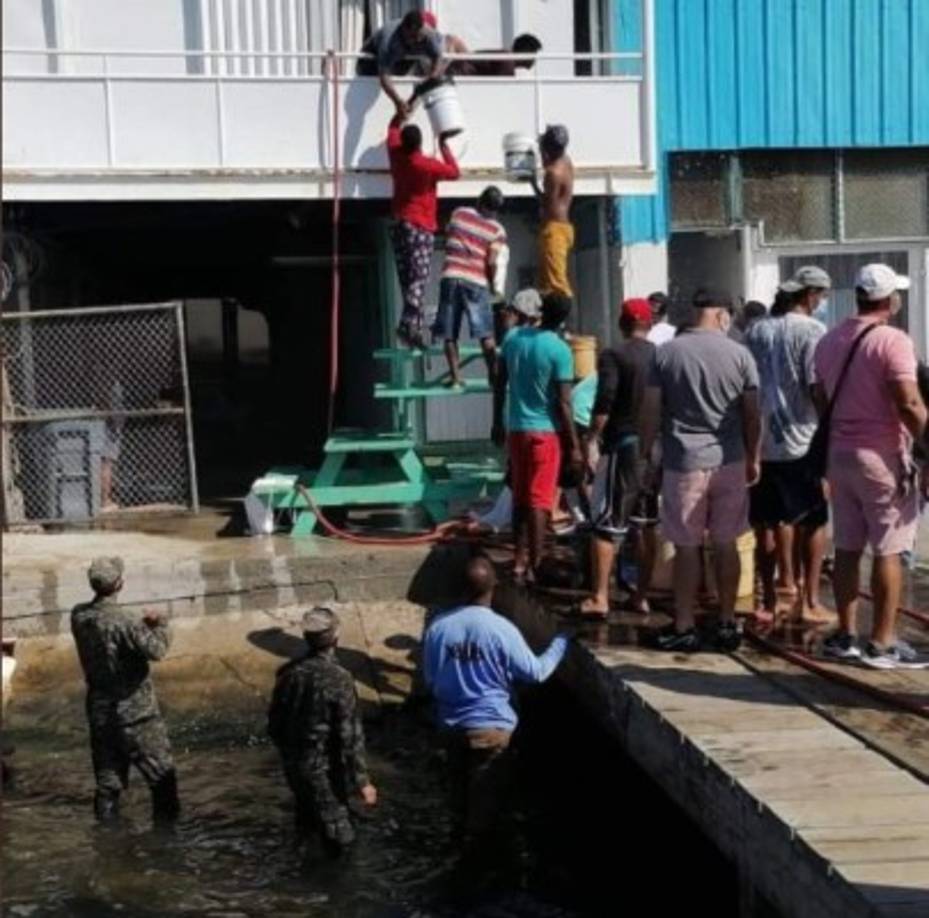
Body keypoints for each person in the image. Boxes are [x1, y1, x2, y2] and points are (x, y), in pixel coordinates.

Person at [813, 264, 928, 669]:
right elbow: (908, 402)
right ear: (889, 300)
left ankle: (846, 635)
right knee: (889, 548)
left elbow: (818, 396)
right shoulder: (892, 341)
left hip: (839, 455)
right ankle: (881, 642)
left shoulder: (828, 341)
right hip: (881, 456)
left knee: (846, 546)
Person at [422, 555, 569, 856]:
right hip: (491, 731)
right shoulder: (502, 629)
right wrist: (562, 641)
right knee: (487, 811)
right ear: (495, 588)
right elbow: (536, 672)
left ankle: (455, 858)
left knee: (458, 803)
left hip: (451, 727)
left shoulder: (438, 628)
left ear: (461, 589)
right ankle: (479, 868)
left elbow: (432, 681)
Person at [641, 289, 761, 652]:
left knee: (687, 545)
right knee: (727, 543)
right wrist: (754, 456)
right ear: (722, 314)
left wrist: (648, 455)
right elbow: (752, 413)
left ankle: (684, 624)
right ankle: (727, 622)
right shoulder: (740, 354)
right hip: (730, 461)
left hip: (683, 463)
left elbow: (650, 410)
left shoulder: (666, 353)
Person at [744, 267, 830, 624]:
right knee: (813, 520)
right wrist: (831, 424)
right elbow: (815, 385)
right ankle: (808, 599)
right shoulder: (813, 331)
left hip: (763, 439)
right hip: (803, 438)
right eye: (821, 296)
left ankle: (768, 597)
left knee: (765, 521)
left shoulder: (756, 330)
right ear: (810, 295)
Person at [71, 557, 179, 824]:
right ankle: (166, 843)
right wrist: (161, 624)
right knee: (162, 780)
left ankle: (108, 843)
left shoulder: (78, 615)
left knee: (108, 784)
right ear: (120, 583)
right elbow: (158, 650)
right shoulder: (127, 622)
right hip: (137, 714)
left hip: (100, 713)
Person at [268, 607, 377, 855]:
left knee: (306, 822)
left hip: (295, 764)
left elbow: (274, 724)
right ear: (336, 637)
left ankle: (303, 880)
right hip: (324, 769)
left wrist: (289, 754)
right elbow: (350, 734)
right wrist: (362, 781)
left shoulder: (288, 673)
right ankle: (333, 887)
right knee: (340, 838)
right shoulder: (339, 678)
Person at [492, 294, 583, 581]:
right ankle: (536, 563)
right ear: (563, 319)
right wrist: (574, 446)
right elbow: (565, 404)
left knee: (520, 497)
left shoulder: (513, 339)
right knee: (539, 501)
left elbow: (499, 383)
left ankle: (518, 561)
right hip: (546, 433)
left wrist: (497, 421)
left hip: (517, 430)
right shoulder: (560, 350)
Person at [581, 298, 657, 618]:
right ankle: (641, 596)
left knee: (606, 523)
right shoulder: (660, 355)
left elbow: (605, 401)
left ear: (622, 323)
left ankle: (600, 597)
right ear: (649, 324)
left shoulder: (614, 355)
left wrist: (591, 438)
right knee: (644, 525)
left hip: (623, 445)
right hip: (653, 450)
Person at [386, 112, 460, 347]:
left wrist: (401, 111)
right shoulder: (425, 164)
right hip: (420, 225)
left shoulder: (396, 154)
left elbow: (392, 127)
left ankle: (414, 329)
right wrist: (443, 145)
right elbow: (454, 172)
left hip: (399, 223)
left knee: (408, 280)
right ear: (419, 143)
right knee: (419, 279)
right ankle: (408, 324)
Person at [433, 187, 508, 387]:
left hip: (450, 276)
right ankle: (493, 376)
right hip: (476, 280)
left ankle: (456, 378)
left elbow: (448, 234)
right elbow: (491, 262)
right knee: (485, 333)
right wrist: (493, 286)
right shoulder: (497, 230)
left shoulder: (459, 213)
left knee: (450, 333)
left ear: (479, 199)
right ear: (496, 209)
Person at [357, 12, 443, 116]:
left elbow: (438, 56)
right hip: (370, 63)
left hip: (400, 60)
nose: (415, 40)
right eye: (412, 36)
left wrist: (432, 77)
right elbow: (384, 76)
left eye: (418, 36)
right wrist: (397, 101)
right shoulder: (388, 40)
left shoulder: (429, 34)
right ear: (403, 29)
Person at [531, 125, 575, 300]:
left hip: (554, 230)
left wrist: (532, 183)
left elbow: (546, 203)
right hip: (564, 228)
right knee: (546, 283)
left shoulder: (552, 174)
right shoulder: (566, 162)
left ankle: (561, 318)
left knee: (557, 284)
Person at [446, 33, 543, 77]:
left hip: (457, 76)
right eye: (534, 53)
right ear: (525, 51)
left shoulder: (506, 58)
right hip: (457, 77)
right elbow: (504, 91)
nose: (535, 59)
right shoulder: (507, 61)